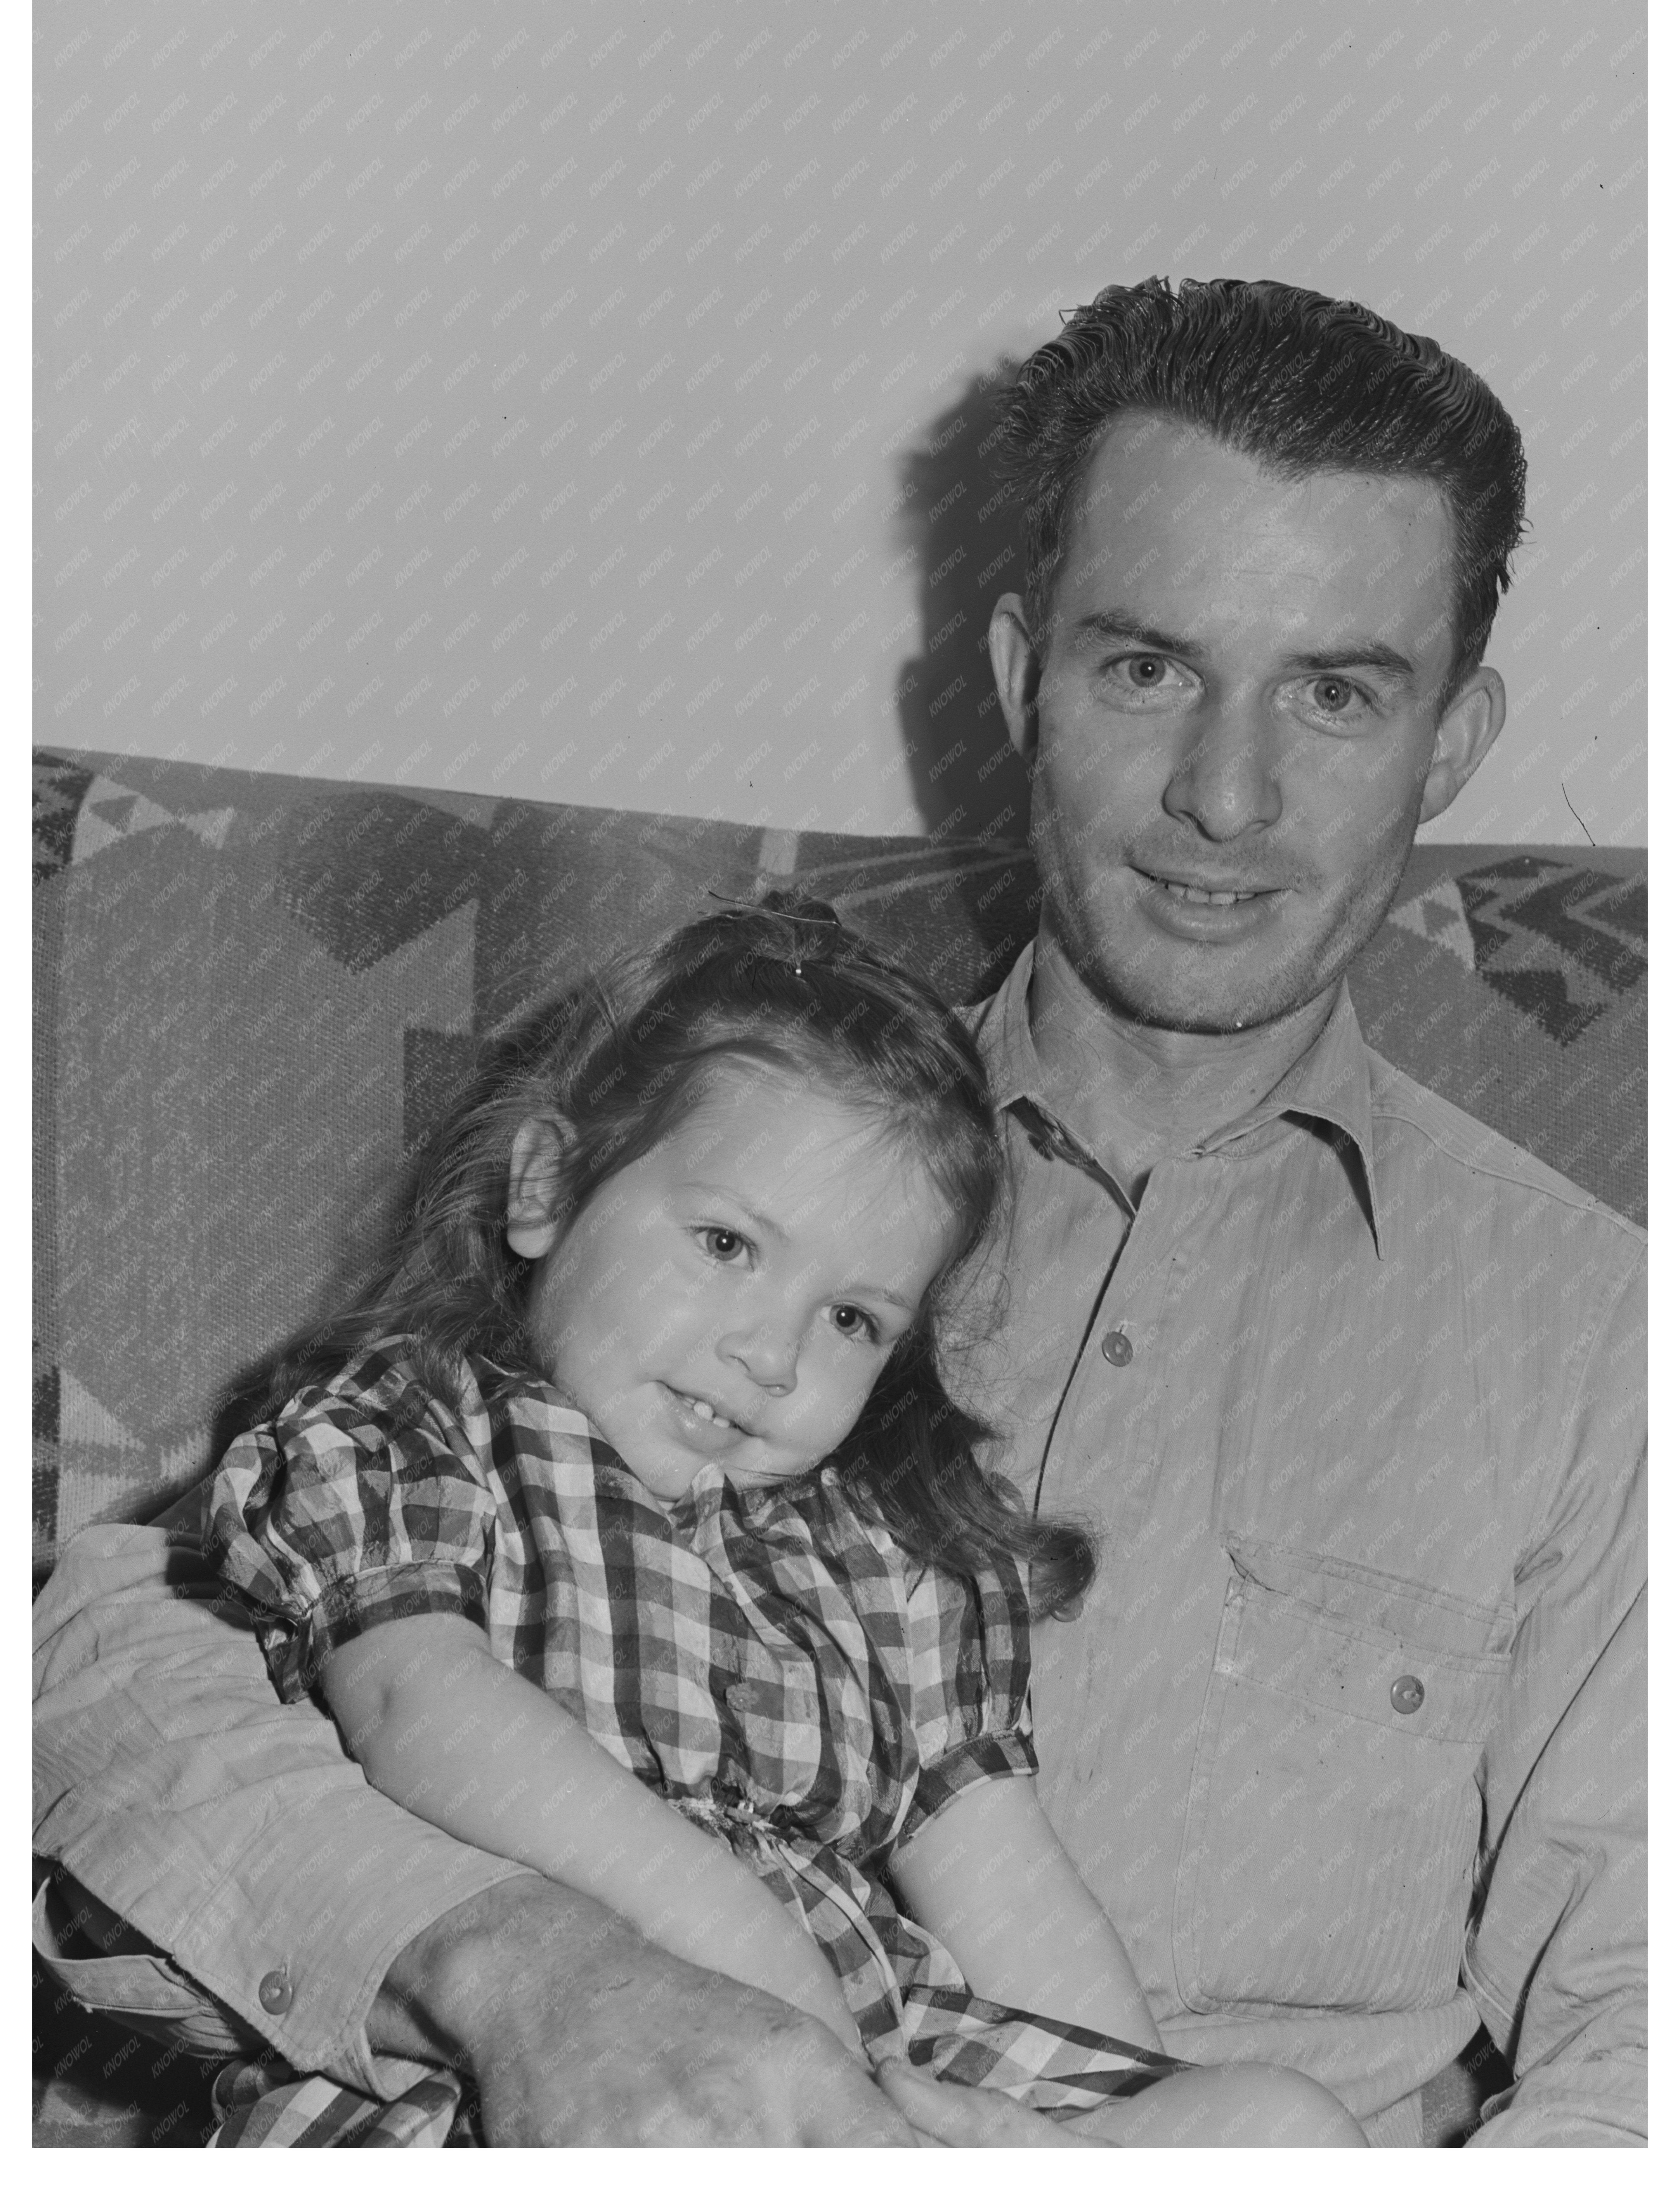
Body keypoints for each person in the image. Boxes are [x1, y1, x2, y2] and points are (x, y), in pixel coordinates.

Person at [35, 277, 1645, 2146]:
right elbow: (110, 1669)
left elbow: (1642, 2034)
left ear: (1452, 741)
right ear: (1019, 672)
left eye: (1340, 694)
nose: (1227, 792)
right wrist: (512, 1963)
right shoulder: (729, 1149)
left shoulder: (1602, 1333)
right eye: (1147, 667)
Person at [186, 892, 1360, 2147]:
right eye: (727, 1244)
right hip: (555, 2057)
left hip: (877, 2070)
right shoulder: (411, 1430)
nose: (770, 1353)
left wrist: (1097, 2121)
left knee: (1272, 2124)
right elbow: (418, 1712)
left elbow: (1007, 1886)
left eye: (851, 1318)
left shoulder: (883, 1558)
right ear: (544, 1187)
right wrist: (765, 1983)